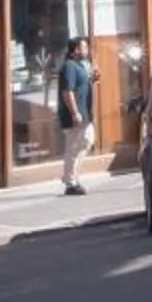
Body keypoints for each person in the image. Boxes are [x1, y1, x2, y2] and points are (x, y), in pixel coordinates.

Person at [58, 36, 97, 195]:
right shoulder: (69, 66)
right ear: (76, 50)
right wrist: (74, 112)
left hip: (85, 113)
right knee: (73, 147)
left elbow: (83, 85)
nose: (87, 51)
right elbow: (67, 92)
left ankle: (70, 175)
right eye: (84, 48)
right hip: (75, 114)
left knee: (88, 140)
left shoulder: (81, 65)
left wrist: (92, 79)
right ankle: (71, 182)